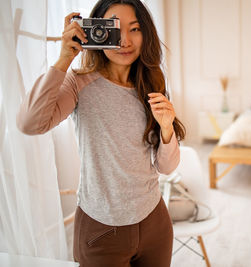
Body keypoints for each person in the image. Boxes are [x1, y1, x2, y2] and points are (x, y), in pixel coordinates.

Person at [16, 0, 185, 266]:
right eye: (114, 29)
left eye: (135, 29)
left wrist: (166, 129)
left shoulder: (151, 84)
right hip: (101, 230)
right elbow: (30, 123)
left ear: (147, 34)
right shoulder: (78, 82)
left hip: (154, 222)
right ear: (95, 30)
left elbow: (166, 167)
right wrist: (63, 59)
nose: (125, 41)